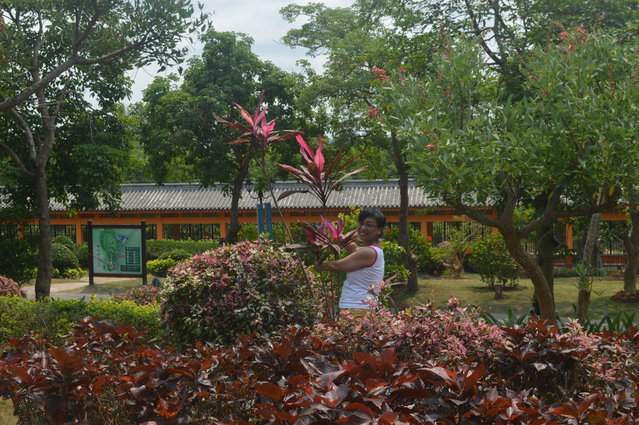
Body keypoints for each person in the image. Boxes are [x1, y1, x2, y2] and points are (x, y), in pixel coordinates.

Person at [315, 208, 385, 318]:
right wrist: (338, 236)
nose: (363, 228)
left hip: (358, 309)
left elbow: (337, 266)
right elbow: (354, 249)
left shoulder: (369, 252)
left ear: (379, 230)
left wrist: (321, 266)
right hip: (358, 307)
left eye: (368, 225)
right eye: (361, 223)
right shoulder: (372, 250)